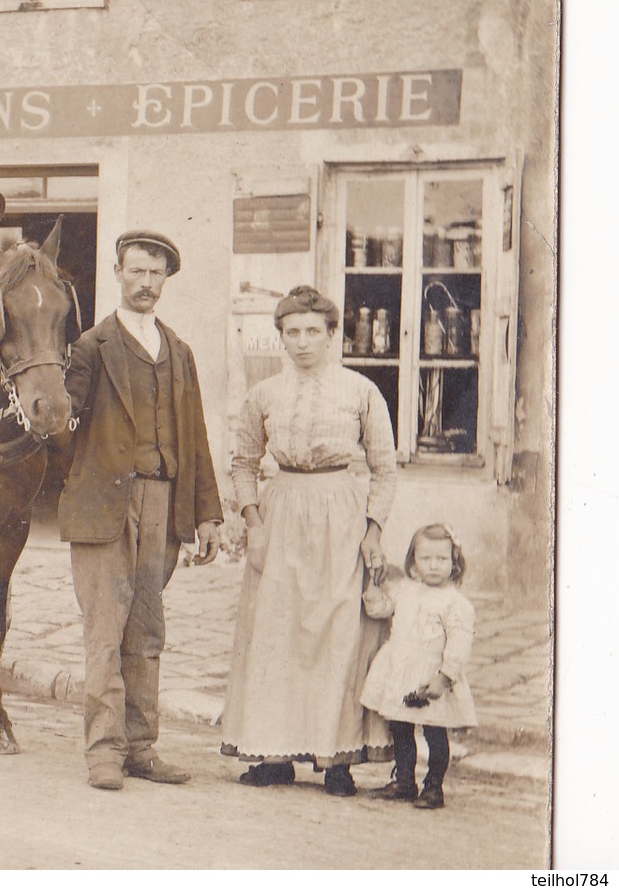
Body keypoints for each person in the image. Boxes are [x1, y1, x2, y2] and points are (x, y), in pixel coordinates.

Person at [60, 229, 224, 791]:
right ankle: (103, 750)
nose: (146, 283)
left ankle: (141, 747)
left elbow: (196, 436)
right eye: (136, 271)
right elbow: (62, 427)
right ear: (118, 273)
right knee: (105, 632)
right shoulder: (89, 347)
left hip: (162, 500)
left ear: (166, 280)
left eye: (156, 274)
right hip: (104, 505)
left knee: (147, 630)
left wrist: (207, 515)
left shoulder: (178, 351)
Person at [220, 285, 396, 796]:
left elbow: (384, 470)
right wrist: (252, 524)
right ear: (281, 336)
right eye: (291, 332)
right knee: (276, 635)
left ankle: (335, 759)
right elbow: (244, 463)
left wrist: (373, 531)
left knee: (336, 635)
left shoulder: (361, 391)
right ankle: (273, 757)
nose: (302, 343)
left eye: (313, 332)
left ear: (331, 334)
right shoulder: (264, 394)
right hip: (281, 515)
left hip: (340, 512)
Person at [359, 524, 478, 809]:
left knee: (434, 732)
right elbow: (383, 609)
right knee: (400, 727)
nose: (434, 566)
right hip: (401, 671)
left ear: (454, 562)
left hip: (430, 676)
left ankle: (434, 786)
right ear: (413, 561)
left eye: (442, 559)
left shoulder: (456, 604)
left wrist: (444, 677)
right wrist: (373, 591)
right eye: (426, 559)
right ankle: (404, 780)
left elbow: (459, 646)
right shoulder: (406, 590)